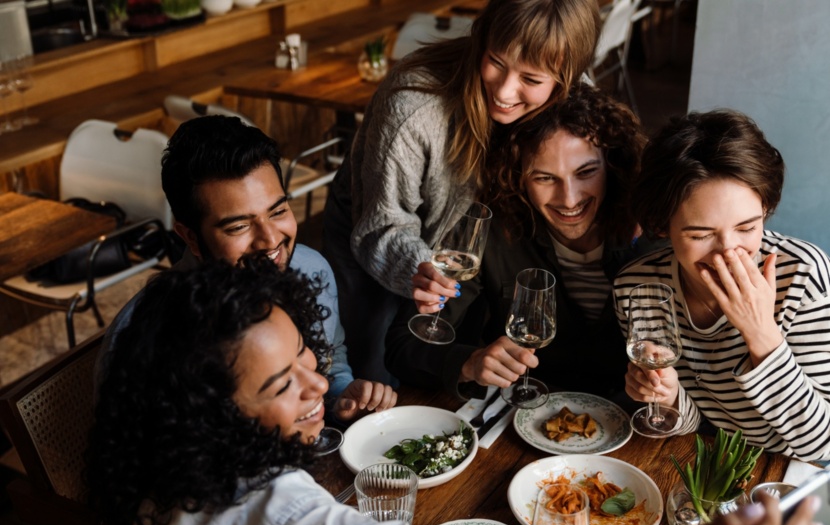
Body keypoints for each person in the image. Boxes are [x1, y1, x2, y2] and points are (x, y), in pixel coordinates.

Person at [84, 255, 822, 525]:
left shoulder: (141, 498)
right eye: (282, 386)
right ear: (205, 416)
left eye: (306, 358)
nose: (319, 386)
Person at [322, 0, 602, 385]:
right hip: (377, 230)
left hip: (465, 236)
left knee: (454, 357)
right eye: (496, 62)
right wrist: (418, 271)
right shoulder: (412, 108)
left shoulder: (576, 94)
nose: (504, 91)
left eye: (532, 80)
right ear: (481, 38)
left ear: (566, 77)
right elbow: (382, 223)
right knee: (373, 370)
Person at [101, 115, 396, 425]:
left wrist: (343, 396)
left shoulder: (311, 269)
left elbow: (330, 366)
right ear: (190, 237)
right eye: (239, 226)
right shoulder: (143, 335)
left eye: (278, 211)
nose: (270, 240)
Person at [387, 83, 650, 405]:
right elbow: (403, 346)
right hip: (522, 416)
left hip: (634, 422)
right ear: (517, 178)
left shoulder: (651, 233)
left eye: (586, 172)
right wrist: (469, 363)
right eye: (544, 178)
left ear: (612, 165)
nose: (569, 199)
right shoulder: (491, 232)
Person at [613, 109, 830, 461]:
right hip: (704, 458)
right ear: (661, 225)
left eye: (747, 228)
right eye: (700, 234)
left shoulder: (803, 277)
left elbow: (820, 444)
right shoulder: (639, 288)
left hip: (783, 469)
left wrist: (760, 332)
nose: (728, 252)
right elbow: (698, 422)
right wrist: (668, 399)